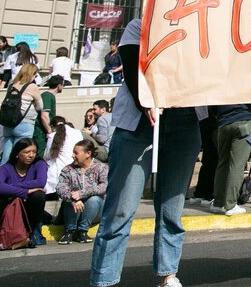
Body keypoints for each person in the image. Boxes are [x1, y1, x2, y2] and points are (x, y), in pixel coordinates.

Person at [90, 18, 201, 287]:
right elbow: (130, 64)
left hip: (185, 120)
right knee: (120, 208)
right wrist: (145, 100)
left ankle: (168, 273)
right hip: (139, 126)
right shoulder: (139, 24)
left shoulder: (201, 26)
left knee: (172, 208)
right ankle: (104, 279)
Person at [0, 137, 49, 249]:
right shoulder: (6, 168)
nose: (31, 155)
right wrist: (25, 191)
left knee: (38, 195)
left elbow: (41, 182)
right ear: (17, 154)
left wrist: (10, 187)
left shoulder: (39, 164)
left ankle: (31, 232)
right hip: (8, 207)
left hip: (27, 208)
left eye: (34, 152)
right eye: (27, 152)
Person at [56, 139, 108, 244]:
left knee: (94, 200)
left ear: (88, 154)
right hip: (72, 210)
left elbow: (104, 187)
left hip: (94, 211)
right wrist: (73, 198)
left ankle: (82, 231)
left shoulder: (101, 167)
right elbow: (60, 187)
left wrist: (82, 193)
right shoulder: (68, 169)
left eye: (76, 153)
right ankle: (69, 231)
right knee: (69, 200)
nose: (73, 155)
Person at [0, 63, 51, 166]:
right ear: (31, 73)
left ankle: (0, 178)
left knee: (6, 156)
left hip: (8, 124)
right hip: (24, 123)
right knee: (21, 156)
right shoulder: (32, 86)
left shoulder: (12, 85)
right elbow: (40, 106)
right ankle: (14, 180)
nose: (35, 77)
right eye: (35, 75)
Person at [210, 104, 251, 215]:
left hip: (223, 122)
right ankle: (230, 204)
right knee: (237, 164)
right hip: (243, 120)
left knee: (223, 163)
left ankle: (218, 202)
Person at [44, 115, 84, 196]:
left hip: (57, 175)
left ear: (52, 126)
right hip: (75, 169)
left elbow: (47, 156)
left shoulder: (52, 136)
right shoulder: (77, 132)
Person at [33, 74, 63, 154]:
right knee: (39, 155)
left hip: (42, 131)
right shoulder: (47, 96)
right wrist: (50, 130)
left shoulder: (48, 96)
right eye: (63, 84)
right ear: (59, 85)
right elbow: (44, 116)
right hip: (40, 132)